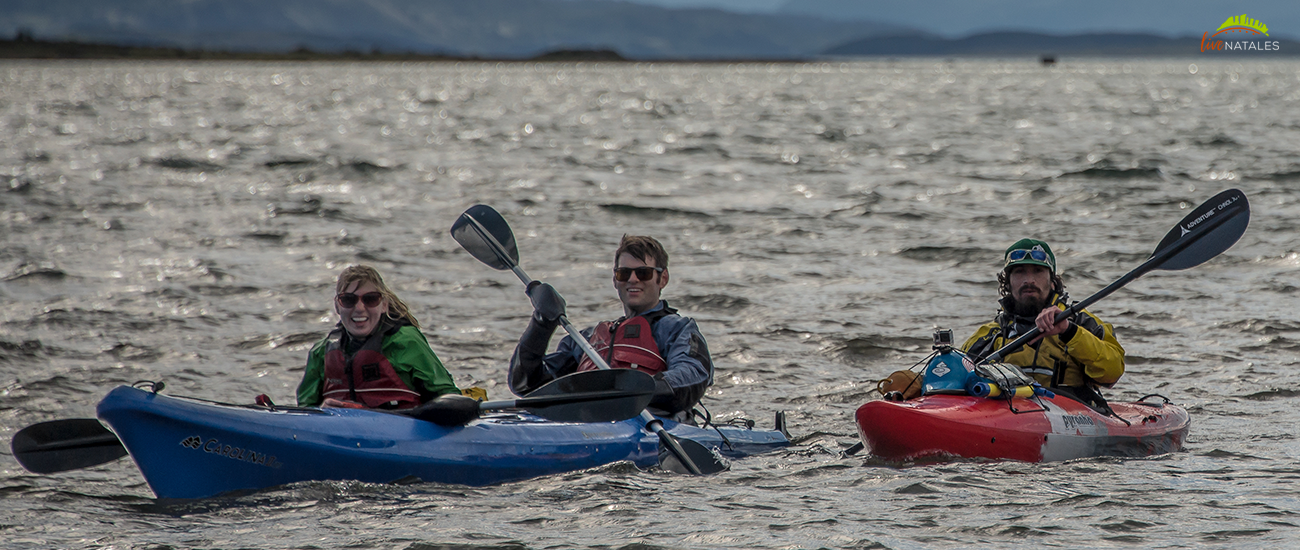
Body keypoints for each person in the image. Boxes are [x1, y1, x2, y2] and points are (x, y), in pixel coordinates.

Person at [509, 235, 713, 422]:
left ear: (663, 278)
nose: (633, 279)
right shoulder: (587, 339)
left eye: (643, 273)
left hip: (651, 424)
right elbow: (526, 385)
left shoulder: (677, 329)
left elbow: (693, 373)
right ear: (615, 280)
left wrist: (635, 390)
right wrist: (541, 324)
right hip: (587, 424)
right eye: (624, 273)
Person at [962, 238, 1125, 409]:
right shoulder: (992, 332)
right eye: (1019, 272)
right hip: (1012, 413)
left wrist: (1069, 332)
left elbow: (1112, 373)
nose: (1029, 280)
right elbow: (958, 376)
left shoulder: (1081, 322)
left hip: (1072, 413)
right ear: (1008, 283)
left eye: (1038, 271)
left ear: (1052, 281)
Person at [297, 265, 460, 409]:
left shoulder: (406, 341)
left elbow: (449, 397)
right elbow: (305, 409)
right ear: (337, 306)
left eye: (370, 299)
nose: (359, 308)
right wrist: (320, 411)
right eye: (348, 300)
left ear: (384, 305)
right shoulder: (321, 352)